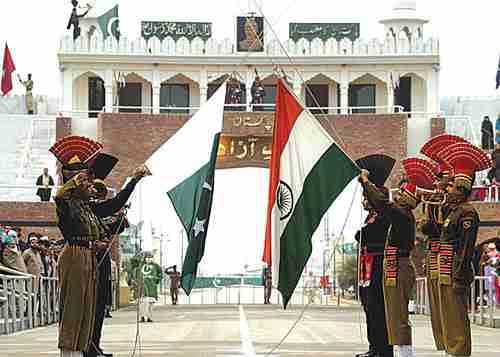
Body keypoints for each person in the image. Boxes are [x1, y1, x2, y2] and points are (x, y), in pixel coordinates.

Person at [87, 153, 150, 357]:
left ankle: (94, 345)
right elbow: (115, 204)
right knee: (90, 308)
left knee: (99, 308)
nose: (96, 195)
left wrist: (120, 216)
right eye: (93, 191)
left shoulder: (93, 210)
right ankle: (88, 346)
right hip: (88, 262)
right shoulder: (83, 208)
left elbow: (118, 225)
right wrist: (133, 180)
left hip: (101, 262)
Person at [49, 135, 107, 357]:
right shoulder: (67, 203)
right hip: (73, 255)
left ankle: (78, 352)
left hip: (87, 256)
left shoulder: (85, 207)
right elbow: (59, 194)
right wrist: (74, 181)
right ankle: (67, 353)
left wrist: (99, 244)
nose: (89, 186)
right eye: (84, 183)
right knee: (73, 308)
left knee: (86, 310)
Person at [433, 141, 492, 357]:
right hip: (447, 268)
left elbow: (466, 248)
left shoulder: (467, 213)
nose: (446, 190)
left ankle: (459, 352)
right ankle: (452, 351)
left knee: (457, 317)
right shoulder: (454, 211)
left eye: (451, 187)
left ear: (462, 190)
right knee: (448, 315)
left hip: (456, 270)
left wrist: (459, 276)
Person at [360, 166, 422, 357]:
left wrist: (366, 182)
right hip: (395, 266)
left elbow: (381, 203)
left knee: (399, 315)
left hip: (400, 267)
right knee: (393, 314)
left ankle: (406, 353)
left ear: (408, 200)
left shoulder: (402, 214)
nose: (398, 195)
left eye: (402, 193)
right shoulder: (400, 215)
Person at [355, 154, 395, 357]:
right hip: (368, 267)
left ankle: (383, 349)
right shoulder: (372, 216)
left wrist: (366, 182)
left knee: (379, 309)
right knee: (370, 308)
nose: (364, 200)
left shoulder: (385, 213)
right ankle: (374, 347)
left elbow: (364, 235)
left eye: (367, 196)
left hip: (379, 266)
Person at [139, 253, 162, 322]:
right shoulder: (141, 266)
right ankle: (142, 317)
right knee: (142, 304)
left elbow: (160, 275)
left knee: (151, 304)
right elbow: (137, 274)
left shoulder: (156, 266)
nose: (149, 259)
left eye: (150, 257)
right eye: (147, 257)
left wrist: (155, 279)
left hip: (152, 288)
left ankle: (149, 317)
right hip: (143, 288)